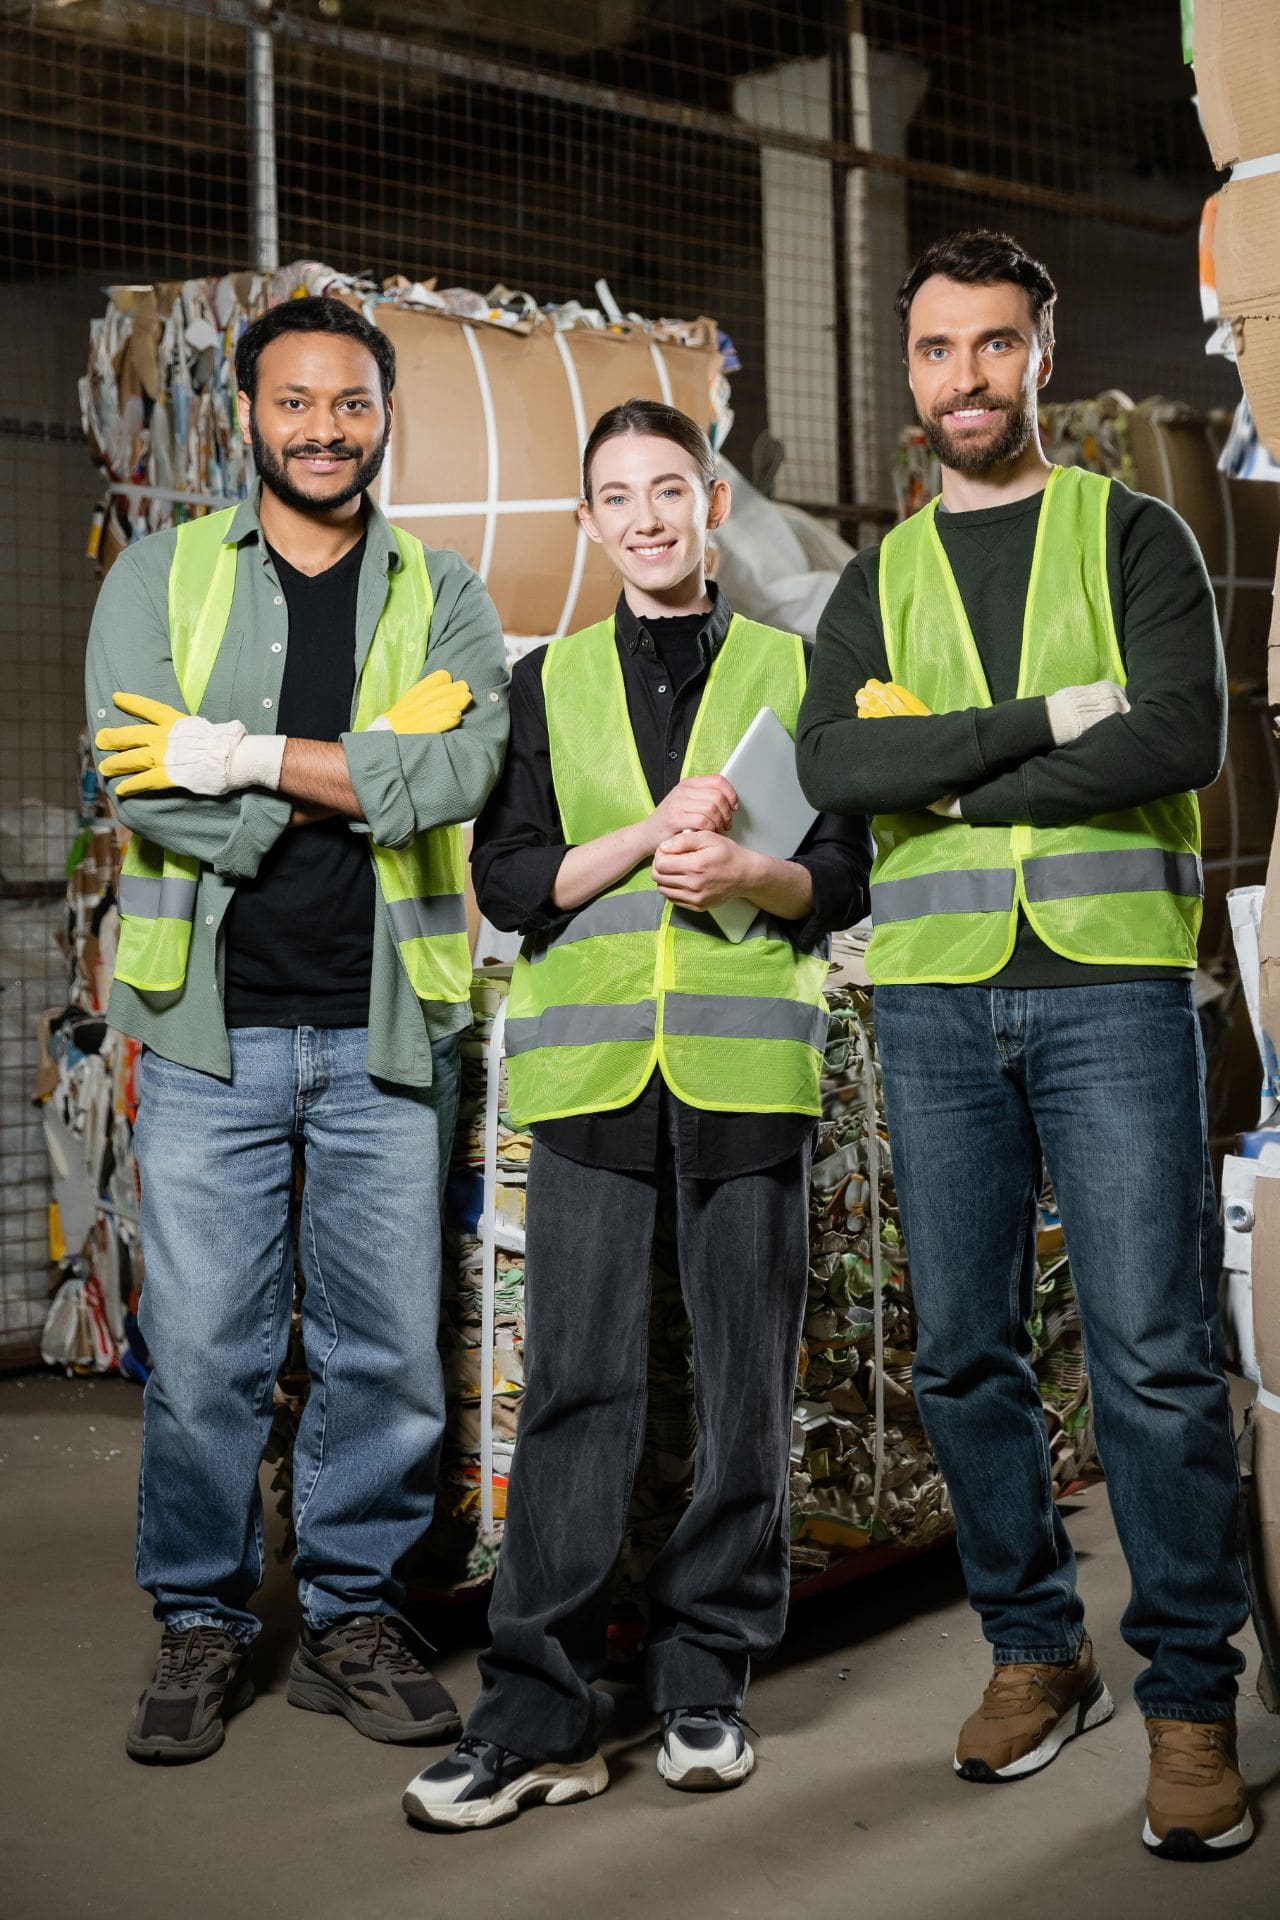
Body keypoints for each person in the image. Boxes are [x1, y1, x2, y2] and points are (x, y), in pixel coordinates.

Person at [796, 230, 1252, 1860]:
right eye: (937, 350)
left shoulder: (1130, 535)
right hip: (931, 1000)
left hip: (1113, 987)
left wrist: (955, 779)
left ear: (1039, 358)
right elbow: (837, 766)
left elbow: (1181, 734)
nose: (965, 378)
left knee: (1149, 1352)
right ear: (910, 371)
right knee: (964, 1354)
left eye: (995, 346)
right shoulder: (879, 575)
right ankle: (1034, 1654)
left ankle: (1192, 1695)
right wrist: (1043, 730)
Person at [401, 398, 871, 1831]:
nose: (651, 517)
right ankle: (537, 1708)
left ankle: (703, 1679)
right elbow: (508, 880)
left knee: (740, 1388)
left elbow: (843, 873)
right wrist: (650, 835)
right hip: (594, 1079)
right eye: (620, 497)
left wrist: (748, 877)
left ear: (713, 503)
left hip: (743, 1075)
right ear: (591, 525)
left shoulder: (800, 671)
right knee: (578, 1392)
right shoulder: (548, 686)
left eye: (673, 489)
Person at [86, 295, 509, 1764]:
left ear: (384, 415)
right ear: (246, 416)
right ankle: (201, 1619)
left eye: (349, 403)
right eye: (294, 403)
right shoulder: (164, 574)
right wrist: (347, 772)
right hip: (213, 1029)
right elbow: (137, 779)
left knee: (385, 1349)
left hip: (389, 1027)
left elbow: (460, 772)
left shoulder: (442, 590)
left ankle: (350, 1615)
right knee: (207, 1348)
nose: (322, 429)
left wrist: (242, 754)